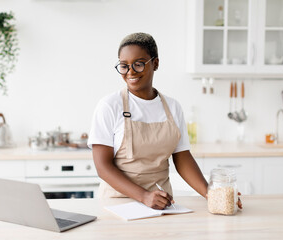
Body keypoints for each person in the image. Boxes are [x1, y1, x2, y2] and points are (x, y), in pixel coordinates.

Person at [88, 32, 242, 210]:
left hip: (162, 205)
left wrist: (211, 194)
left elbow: (182, 158)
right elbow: (102, 166)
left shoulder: (172, 107)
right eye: (124, 66)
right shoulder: (109, 106)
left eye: (138, 64)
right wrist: (144, 196)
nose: (130, 72)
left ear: (155, 63)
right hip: (117, 204)